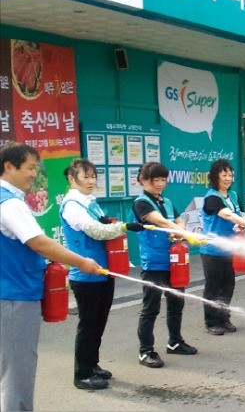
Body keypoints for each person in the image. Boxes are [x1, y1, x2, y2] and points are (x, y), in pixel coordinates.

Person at [0, 143, 101, 411]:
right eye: (30, 168)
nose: (34, 175)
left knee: (10, 367)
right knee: (18, 370)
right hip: (15, 296)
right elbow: (40, 243)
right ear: (9, 166)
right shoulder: (9, 203)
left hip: (10, 291)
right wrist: (82, 261)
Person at [60, 159, 145, 390]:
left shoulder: (90, 202)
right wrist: (124, 227)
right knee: (88, 325)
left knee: (99, 322)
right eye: (85, 177)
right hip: (85, 274)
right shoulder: (72, 204)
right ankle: (82, 374)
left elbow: (99, 223)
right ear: (71, 178)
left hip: (103, 270)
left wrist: (109, 222)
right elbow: (96, 231)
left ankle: (93, 364)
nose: (91, 181)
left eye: (93, 176)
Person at [132, 162, 199, 368]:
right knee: (150, 308)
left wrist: (180, 229)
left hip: (174, 262)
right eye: (155, 180)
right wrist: (181, 231)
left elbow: (178, 220)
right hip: (154, 263)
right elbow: (159, 221)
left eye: (163, 179)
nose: (160, 184)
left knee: (176, 303)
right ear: (144, 181)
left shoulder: (167, 201)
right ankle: (146, 351)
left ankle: (175, 342)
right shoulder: (141, 203)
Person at [200, 159, 245, 335]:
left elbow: (240, 213)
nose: (228, 178)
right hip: (212, 250)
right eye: (224, 175)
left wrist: (243, 224)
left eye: (230, 175)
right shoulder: (211, 197)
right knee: (213, 287)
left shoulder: (233, 195)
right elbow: (226, 214)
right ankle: (211, 322)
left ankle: (224, 318)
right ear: (215, 177)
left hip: (230, 249)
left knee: (228, 286)